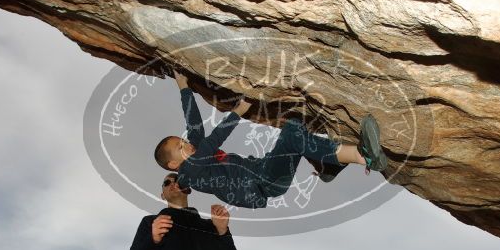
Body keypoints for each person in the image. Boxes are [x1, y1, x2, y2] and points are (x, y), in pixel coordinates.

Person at [153, 71, 388, 209]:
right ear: (173, 165)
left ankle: (328, 164)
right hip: (264, 182)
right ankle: (364, 155)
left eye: (181, 141)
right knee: (291, 137)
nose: (186, 144)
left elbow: (193, 123)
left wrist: (183, 86)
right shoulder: (189, 173)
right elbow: (212, 141)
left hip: (264, 168)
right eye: (179, 147)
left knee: (294, 126)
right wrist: (238, 111)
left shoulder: (194, 155)